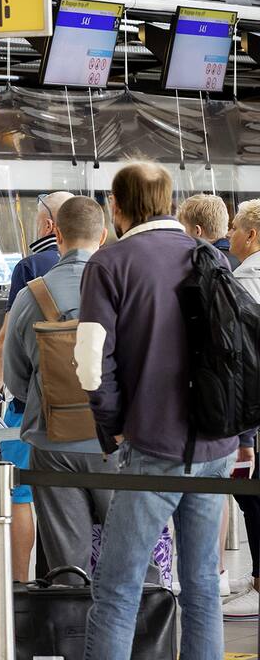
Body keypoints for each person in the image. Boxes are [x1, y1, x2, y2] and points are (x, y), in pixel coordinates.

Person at [77, 162, 240, 659]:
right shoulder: (211, 257)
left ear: (117, 207)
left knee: (118, 588)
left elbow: (89, 361)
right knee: (202, 585)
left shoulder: (110, 264)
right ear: (170, 201)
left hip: (151, 445)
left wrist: (114, 426)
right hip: (214, 444)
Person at [1, 196, 109, 585]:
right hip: (113, 443)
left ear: (57, 234)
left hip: (53, 443)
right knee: (128, 551)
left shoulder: (33, 295)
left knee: (67, 561)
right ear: (103, 235)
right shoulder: (125, 288)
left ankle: (72, 637)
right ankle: (135, 637)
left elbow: (15, 379)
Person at [0, 190, 72, 581]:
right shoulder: (104, 268)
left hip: (30, 404)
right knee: (66, 496)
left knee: (21, 493)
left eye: (36, 219)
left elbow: (5, 338)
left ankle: (18, 585)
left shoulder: (31, 265)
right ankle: (63, 578)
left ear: (50, 225)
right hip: (81, 408)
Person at [177, 192, 247, 598]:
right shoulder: (235, 269)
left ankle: (208, 572)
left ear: (197, 231)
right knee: (218, 496)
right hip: (233, 415)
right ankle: (216, 571)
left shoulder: (205, 275)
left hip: (205, 413)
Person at [222, 198, 260, 618]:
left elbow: (242, 360)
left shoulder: (246, 282)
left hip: (253, 412)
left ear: (250, 235)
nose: (228, 235)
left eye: (234, 228)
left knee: (253, 497)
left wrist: (243, 434)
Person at [178, 193, 239, 270]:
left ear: (198, 231)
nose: (182, 235)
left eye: (184, 230)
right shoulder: (241, 258)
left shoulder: (200, 266)